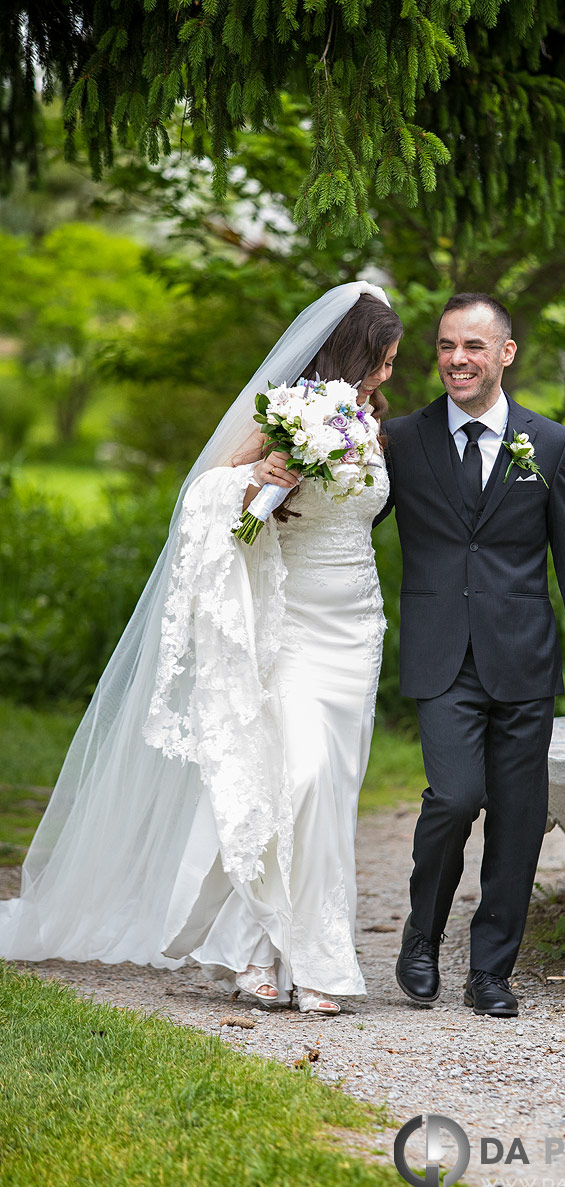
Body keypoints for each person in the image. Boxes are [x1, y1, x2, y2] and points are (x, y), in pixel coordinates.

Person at [0, 282, 402, 1017]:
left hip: (357, 624)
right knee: (296, 778)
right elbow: (203, 492)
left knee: (327, 792)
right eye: (382, 361)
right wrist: (260, 478)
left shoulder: (373, 425)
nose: (387, 375)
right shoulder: (289, 413)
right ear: (354, 353)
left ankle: (266, 955)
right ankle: (287, 955)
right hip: (292, 620)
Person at [374, 292, 565, 1018]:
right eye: (446, 346)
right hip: (440, 654)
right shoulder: (403, 440)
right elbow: (353, 520)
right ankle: (421, 935)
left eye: (473, 347)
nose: (457, 360)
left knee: (516, 812)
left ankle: (490, 972)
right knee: (452, 798)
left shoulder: (550, 443)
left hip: (522, 658)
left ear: (504, 354)